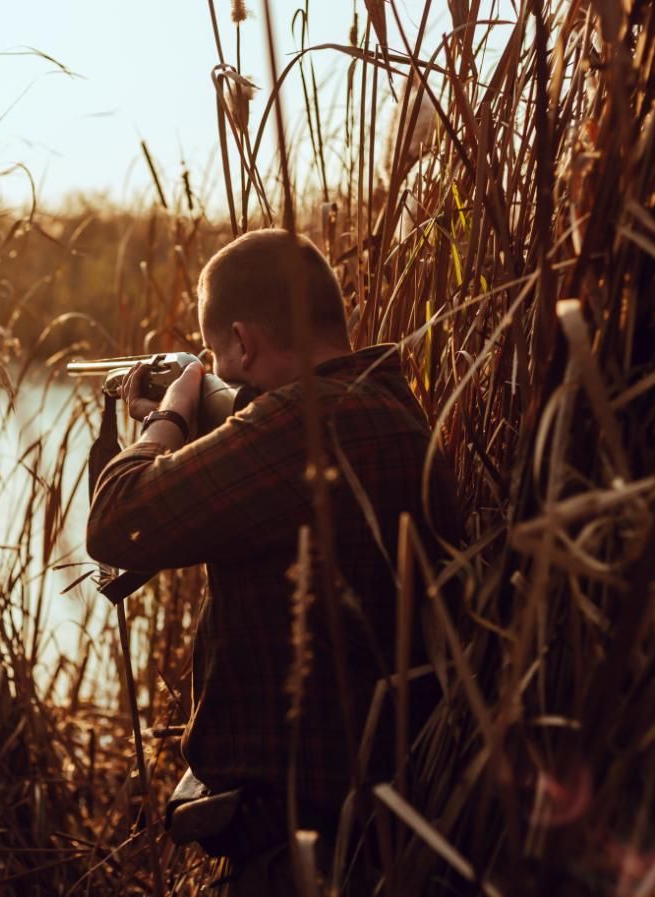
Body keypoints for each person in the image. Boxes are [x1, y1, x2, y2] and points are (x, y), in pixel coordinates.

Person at [86, 228, 462, 895]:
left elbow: (118, 521)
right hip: (392, 831)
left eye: (215, 356)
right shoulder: (394, 409)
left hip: (299, 856)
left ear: (242, 340)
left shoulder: (299, 422)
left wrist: (165, 419)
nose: (220, 372)